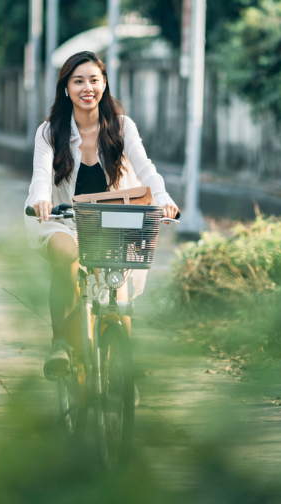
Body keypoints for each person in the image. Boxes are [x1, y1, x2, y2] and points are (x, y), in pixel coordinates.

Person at [25, 51, 178, 380]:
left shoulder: (122, 127)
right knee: (66, 254)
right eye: (78, 81)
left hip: (112, 220)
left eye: (94, 80)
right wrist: (40, 198)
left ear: (105, 84)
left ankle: (123, 377)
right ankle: (60, 345)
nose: (87, 87)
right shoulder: (50, 131)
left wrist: (163, 198)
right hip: (63, 217)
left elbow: (146, 168)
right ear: (66, 88)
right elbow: (40, 173)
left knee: (119, 299)